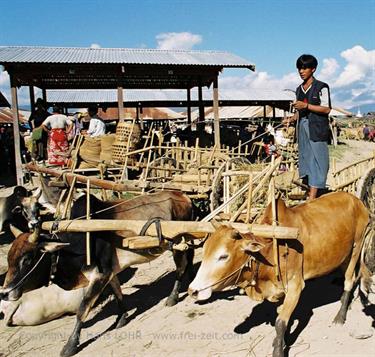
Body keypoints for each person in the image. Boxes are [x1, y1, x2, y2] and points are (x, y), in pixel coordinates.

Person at [283, 54, 331, 200]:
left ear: (313, 69)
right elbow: (300, 112)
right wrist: (291, 119)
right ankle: (310, 188)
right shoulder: (298, 89)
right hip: (302, 128)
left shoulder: (322, 87)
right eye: (299, 68)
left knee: (318, 159)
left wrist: (307, 106)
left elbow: (327, 109)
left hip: (316, 128)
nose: (301, 71)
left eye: (304, 68)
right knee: (306, 157)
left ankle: (313, 195)